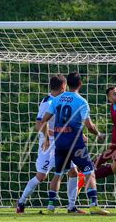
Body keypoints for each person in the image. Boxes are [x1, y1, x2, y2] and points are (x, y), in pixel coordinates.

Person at [40, 72, 108, 215]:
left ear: (67, 84)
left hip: (59, 142)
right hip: (74, 142)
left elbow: (44, 119)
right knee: (89, 171)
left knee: (58, 173)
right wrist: (99, 134)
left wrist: (48, 136)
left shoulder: (57, 100)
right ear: (80, 84)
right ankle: (94, 205)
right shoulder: (81, 101)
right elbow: (89, 126)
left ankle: (51, 207)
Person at [16, 74, 83, 214]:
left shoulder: (62, 100)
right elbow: (39, 124)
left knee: (73, 171)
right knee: (41, 176)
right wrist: (48, 137)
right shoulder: (48, 102)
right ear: (63, 86)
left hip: (64, 142)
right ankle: (21, 201)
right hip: (48, 144)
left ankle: (71, 207)